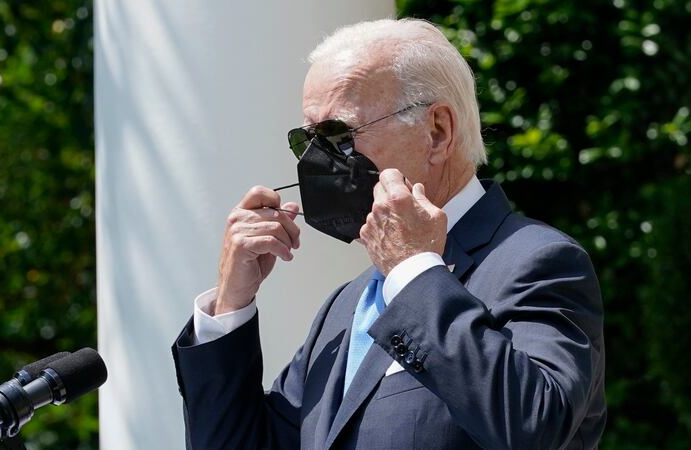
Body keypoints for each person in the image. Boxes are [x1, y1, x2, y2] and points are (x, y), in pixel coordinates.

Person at [171, 18, 605, 449]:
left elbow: (535, 425)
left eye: (337, 135)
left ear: (437, 132)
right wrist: (230, 307)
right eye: (306, 140)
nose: (317, 160)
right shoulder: (345, 305)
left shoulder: (537, 261)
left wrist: (415, 271)